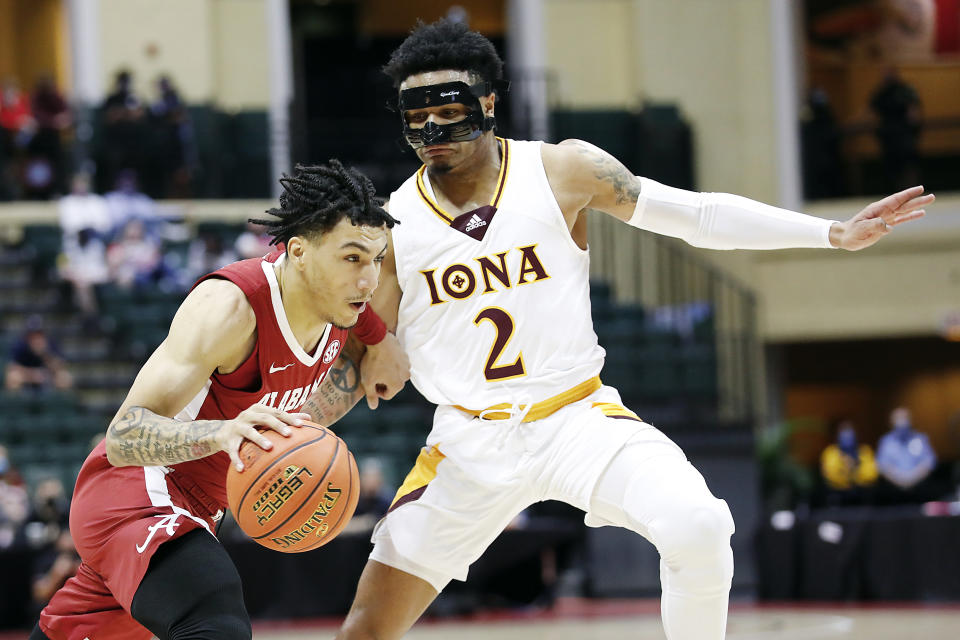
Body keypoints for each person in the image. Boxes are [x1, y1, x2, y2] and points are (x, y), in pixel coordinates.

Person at [335, 19, 934, 640]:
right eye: (415, 113)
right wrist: (277, 426)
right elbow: (365, 362)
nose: (431, 129)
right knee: (366, 629)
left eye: (449, 109)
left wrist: (828, 233)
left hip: (574, 418)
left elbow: (696, 215)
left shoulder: (562, 170)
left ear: (488, 103)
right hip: (466, 443)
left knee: (699, 526)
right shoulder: (391, 225)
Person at [29, 159, 408, 640]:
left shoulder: (339, 310)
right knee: (215, 618)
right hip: (135, 490)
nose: (370, 280)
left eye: (376, 259)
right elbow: (123, 437)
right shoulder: (230, 308)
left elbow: (304, 416)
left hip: (199, 509)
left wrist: (375, 342)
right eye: (352, 258)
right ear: (299, 252)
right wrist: (222, 433)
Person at [876, 406, 938, 503]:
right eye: (899, 418)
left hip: (919, 491)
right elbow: (882, 466)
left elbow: (929, 462)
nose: (902, 421)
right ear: (891, 421)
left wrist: (911, 479)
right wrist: (901, 480)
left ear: (911, 420)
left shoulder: (921, 439)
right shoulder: (886, 441)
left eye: (905, 417)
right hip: (893, 493)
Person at [4, 316, 73, 392]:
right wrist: (33, 375)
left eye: (39, 335)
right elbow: (12, 366)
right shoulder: (20, 345)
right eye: (32, 335)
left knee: (64, 377)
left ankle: (59, 403)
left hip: (48, 376)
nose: (36, 338)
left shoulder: (51, 343)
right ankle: (16, 403)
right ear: (27, 336)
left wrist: (44, 353)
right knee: (13, 377)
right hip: (27, 377)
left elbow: (60, 366)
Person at [819, 419, 878, 506]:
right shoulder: (830, 453)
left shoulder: (865, 451)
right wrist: (846, 470)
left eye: (850, 431)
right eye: (844, 432)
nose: (847, 436)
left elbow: (871, 475)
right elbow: (831, 476)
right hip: (838, 495)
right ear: (837, 435)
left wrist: (855, 470)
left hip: (862, 495)